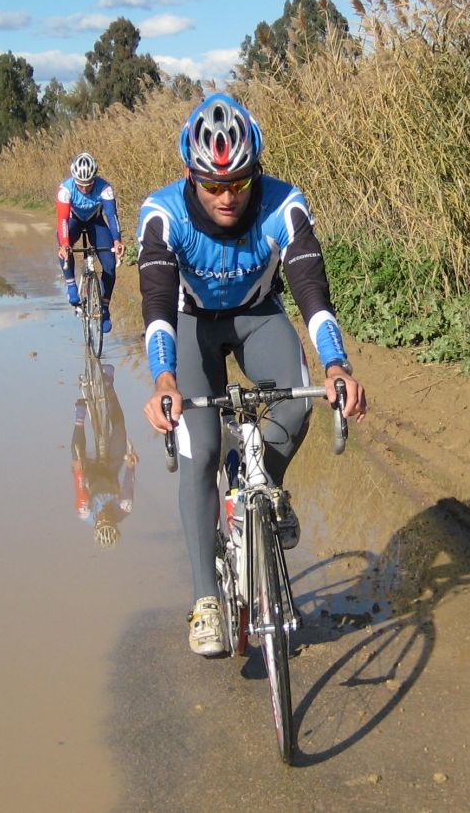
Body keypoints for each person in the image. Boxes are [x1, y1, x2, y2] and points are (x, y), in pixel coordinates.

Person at [137, 93, 367, 656]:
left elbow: (312, 293)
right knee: (200, 449)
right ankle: (206, 599)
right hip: (192, 325)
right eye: (212, 185)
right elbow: (158, 303)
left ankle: (258, 483)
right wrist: (164, 379)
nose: (226, 196)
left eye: (239, 182)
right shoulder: (163, 214)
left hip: (257, 317)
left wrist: (336, 365)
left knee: (299, 401)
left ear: (255, 172)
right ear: (191, 177)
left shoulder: (284, 205)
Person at [71, 362, 138, 549]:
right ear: (115, 523)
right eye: (110, 520)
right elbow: (128, 483)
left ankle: (79, 418)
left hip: (91, 478)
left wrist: (79, 469)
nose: (106, 516)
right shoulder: (124, 507)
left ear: (97, 523)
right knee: (120, 429)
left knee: (77, 457)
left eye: (102, 519)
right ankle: (109, 387)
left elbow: (79, 483)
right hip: (110, 473)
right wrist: (131, 464)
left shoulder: (85, 511)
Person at [57, 152, 125, 333]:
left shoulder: (104, 188)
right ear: (74, 180)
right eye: (81, 185)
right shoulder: (65, 190)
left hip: (96, 221)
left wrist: (117, 241)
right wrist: (65, 244)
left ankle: (105, 308)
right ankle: (71, 284)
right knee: (64, 248)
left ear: (95, 178)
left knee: (110, 263)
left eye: (89, 184)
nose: (85, 189)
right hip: (74, 221)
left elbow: (111, 216)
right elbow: (63, 220)